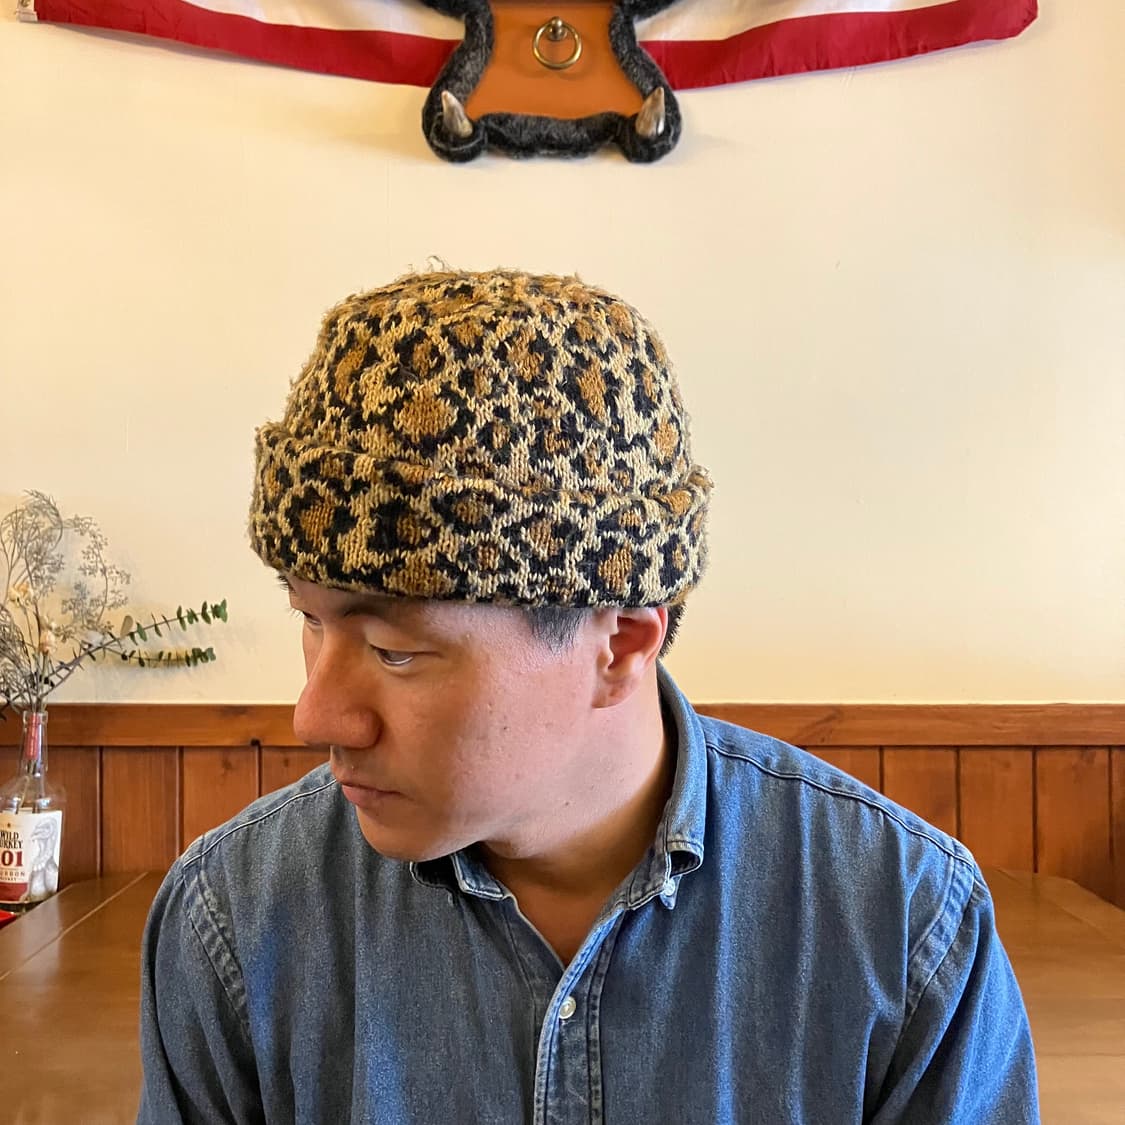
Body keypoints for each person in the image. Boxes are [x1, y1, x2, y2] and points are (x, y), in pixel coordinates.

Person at [138, 269, 1038, 1124]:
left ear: (620, 644)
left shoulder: (901, 925)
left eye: (394, 650)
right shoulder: (237, 918)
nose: (314, 715)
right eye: (309, 619)